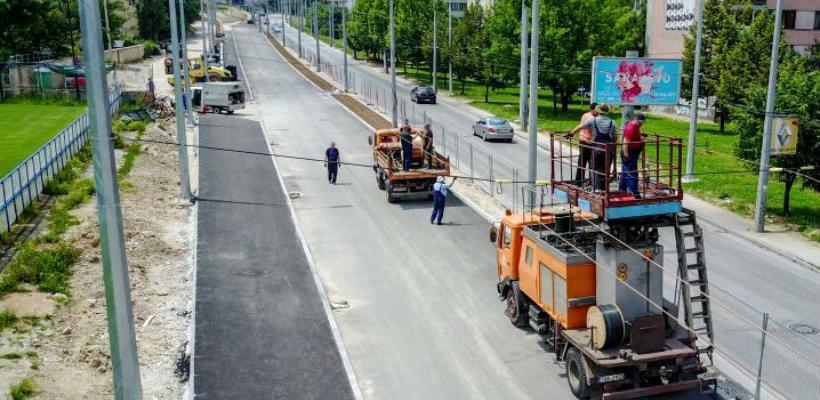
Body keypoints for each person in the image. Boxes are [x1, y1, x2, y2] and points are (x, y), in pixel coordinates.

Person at [570, 104, 617, 192]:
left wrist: (571, 133)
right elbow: (615, 137)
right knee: (605, 168)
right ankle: (604, 189)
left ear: (598, 111)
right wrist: (614, 143)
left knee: (595, 168)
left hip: (597, 149)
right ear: (607, 111)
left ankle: (596, 188)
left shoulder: (593, 120)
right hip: (608, 149)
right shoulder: (612, 122)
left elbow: (580, 127)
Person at [568, 103, 598, 184]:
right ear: (592, 109)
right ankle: (592, 182)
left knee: (582, 161)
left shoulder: (585, 115)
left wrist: (571, 133)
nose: (598, 111)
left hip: (583, 140)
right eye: (597, 110)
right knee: (591, 163)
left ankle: (579, 180)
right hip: (587, 141)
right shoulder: (591, 118)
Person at [619, 113, 645, 198]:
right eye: (640, 122)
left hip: (633, 152)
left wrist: (640, 138)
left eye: (642, 122)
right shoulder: (630, 128)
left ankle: (621, 190)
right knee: (632, 173)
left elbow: (637, 135)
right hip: (629, 153)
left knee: (625, 173)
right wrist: (626, 157)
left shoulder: (636, 126)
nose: (641, 124)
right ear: (636, 120)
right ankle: (633, 193)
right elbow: (625, 144)